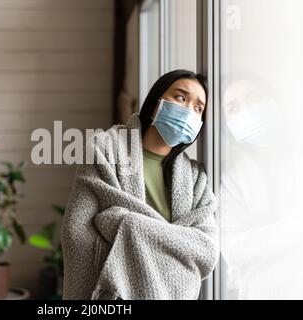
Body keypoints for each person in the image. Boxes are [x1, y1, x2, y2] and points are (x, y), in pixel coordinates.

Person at [61, 69, 219, 299]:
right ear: (156, 101)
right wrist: (168, 247)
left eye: (198, 108)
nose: (188, 111)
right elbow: (76, 233)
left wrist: (127, 223)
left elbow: (206, 251)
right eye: (181, 97)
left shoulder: (196, 178)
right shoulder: (104, 149)